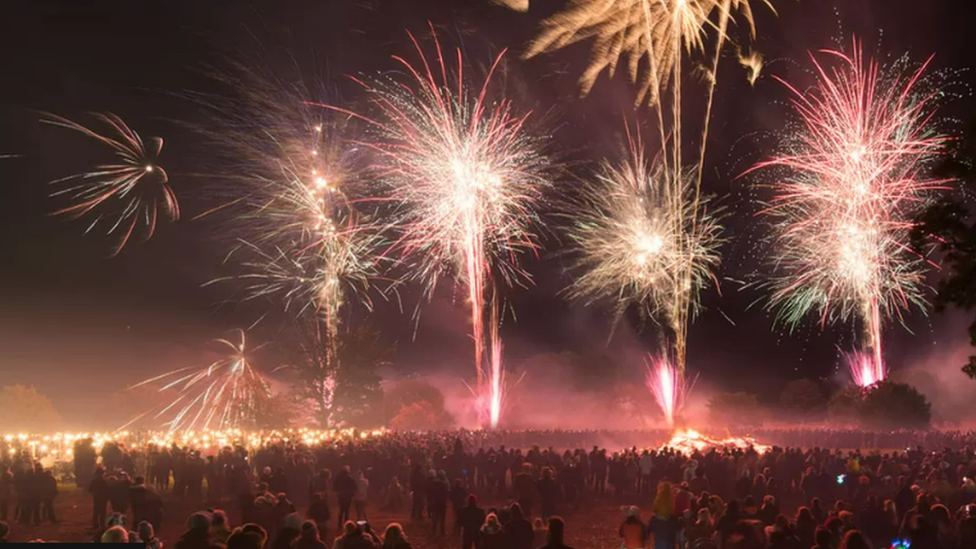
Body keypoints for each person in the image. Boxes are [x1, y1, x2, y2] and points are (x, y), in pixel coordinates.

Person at [649, 482, 678, 549]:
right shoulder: (671, 497)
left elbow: (656, 508)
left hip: (660, 528)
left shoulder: (659, 497)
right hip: (669, 530)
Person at [427, 471, 449, 537]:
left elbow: (431, 493)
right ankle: (442, 532)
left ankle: (433, 532)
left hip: (436, 502)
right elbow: (446, 493)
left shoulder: (434, 484)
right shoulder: (444, 484)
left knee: (435, 518)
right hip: (442, 502)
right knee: (442, 518)